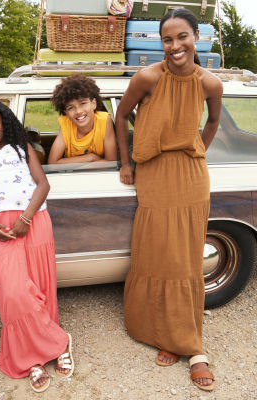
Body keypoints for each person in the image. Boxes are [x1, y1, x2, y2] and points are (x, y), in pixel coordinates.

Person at [115, 8, 222, 392]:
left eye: (182, 36)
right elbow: (121, 116)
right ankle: (165, 334)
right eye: (167, 39)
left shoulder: (210, 83)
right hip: (154, 173)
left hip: (191, 177)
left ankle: (192, 347)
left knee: (187, 259)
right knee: (158, 253)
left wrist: (197, 150)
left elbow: (212, 122)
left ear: (197, 37)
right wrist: (126, 163)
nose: (175, 45)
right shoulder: (147, 77)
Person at [0, 101, 74, 393]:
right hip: (2, 227)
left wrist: (26, 218)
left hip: (35, 219)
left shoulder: (22, 148)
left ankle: (53, 347)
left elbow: (43, 185)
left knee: (41, 285)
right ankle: (36, 352)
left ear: (4, 121)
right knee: (13, 292)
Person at [48, 73, 117, 164]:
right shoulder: (67, 125)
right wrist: (91, 158)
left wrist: (81, 164)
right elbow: (52, 163)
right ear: (66, 113)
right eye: (71, 108)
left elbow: (111, 161)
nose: (78, 111)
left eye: (83, 103)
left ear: (93, 104)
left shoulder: (104, 121)